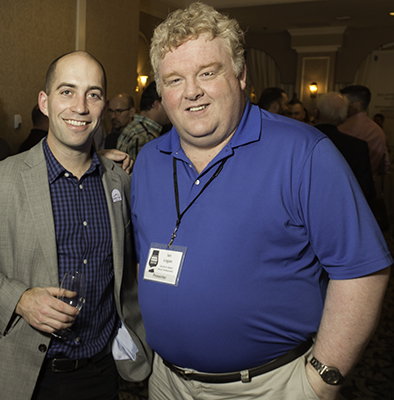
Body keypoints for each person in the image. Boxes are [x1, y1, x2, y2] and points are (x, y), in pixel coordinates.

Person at [131, 3, 392, 400]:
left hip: (267, 387)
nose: (192, 91)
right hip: (166, 381)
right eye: (174, 79)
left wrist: (321, 379)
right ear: (161, 91)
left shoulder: (304, 153)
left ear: (239, 76)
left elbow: (361, 272)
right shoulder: (149, 160)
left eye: (207, 72)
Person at [0, 50, 152, 400]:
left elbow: (128, 273)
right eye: (67, 91)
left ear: (103, 106)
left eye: (93, 94)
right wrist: (19, 299)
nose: (80, 106)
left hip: (101, 372)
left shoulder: (119, 182)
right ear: (45, 102)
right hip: (22, 376)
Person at [314, 92, 375, 202]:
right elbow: (367, 190)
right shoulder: (357, 146)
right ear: (343, 117)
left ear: (317, 113)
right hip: (344, 209)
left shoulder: (300, 140)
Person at [339, 85, 389, 180]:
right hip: (369, 186)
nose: (341, 106)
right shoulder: (378, 130)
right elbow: (385, 165)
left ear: (356, 105)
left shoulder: (344, 129)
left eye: (344, 103)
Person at [116, 81, 170, 162]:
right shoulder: (144, 135)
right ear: (156, 105)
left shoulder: (135, 127)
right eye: (167, 105)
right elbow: (142, 172)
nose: (171, 111)